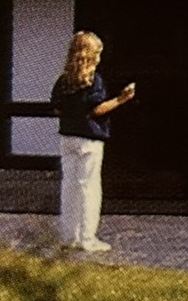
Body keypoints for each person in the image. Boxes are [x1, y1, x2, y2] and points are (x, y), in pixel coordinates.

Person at [50, 30, 136, 252]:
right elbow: (97, 109)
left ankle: (69, 237)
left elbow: (57, 108)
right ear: (91, 55)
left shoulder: (63, 81)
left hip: (67, 137)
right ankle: (88, 239)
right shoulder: (94, 81)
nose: (99, 58)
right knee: (89, 188)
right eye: (97, 54)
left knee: (69, 187)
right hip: (89, 140)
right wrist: (121, 99)